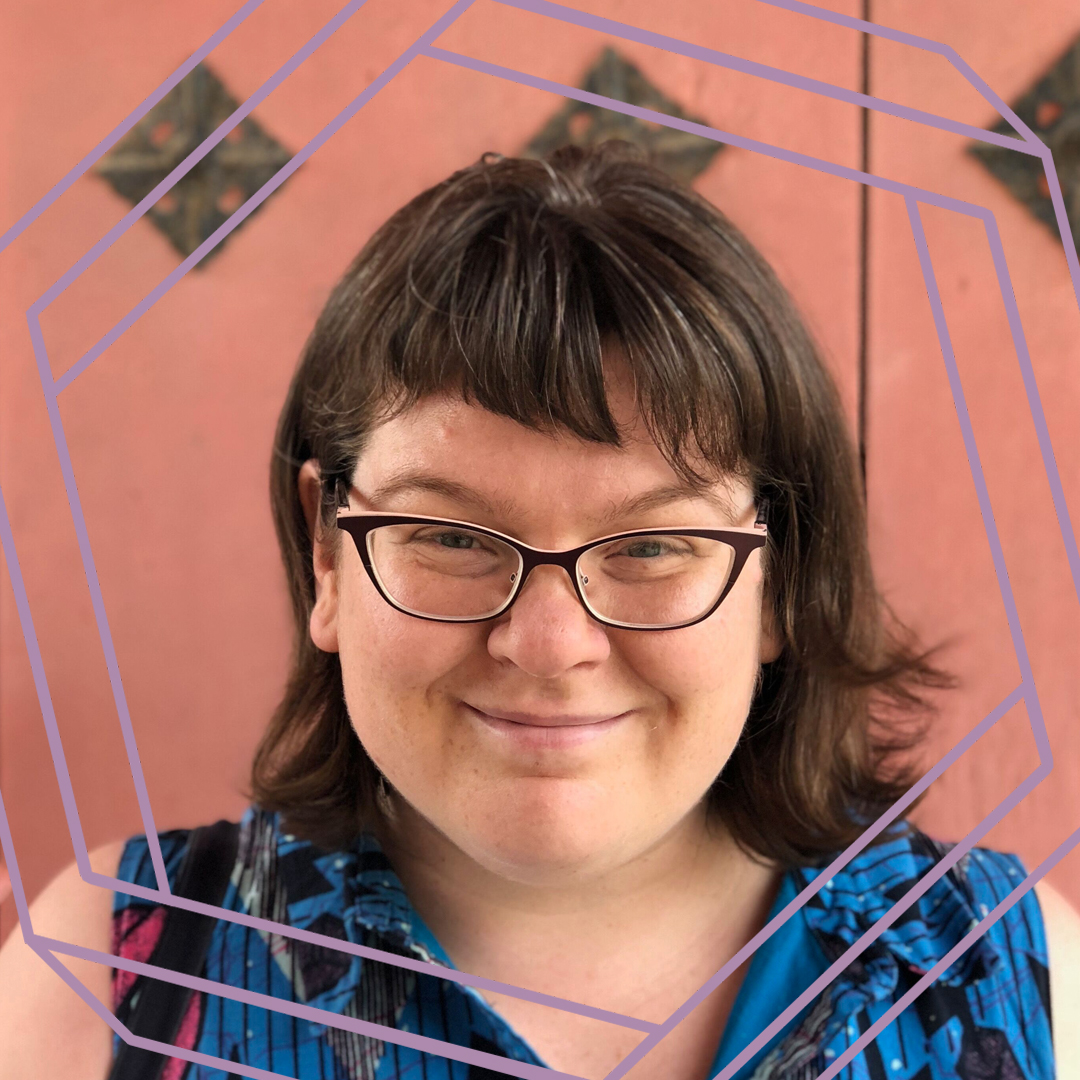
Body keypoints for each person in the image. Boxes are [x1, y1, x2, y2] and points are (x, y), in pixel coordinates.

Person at [0, 142, 1077, 1080]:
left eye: (655, 546)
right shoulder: (111, 972)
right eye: (456, 539)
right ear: (329, 553)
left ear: (781, 583)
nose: (551, 645)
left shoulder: (1027, 985)